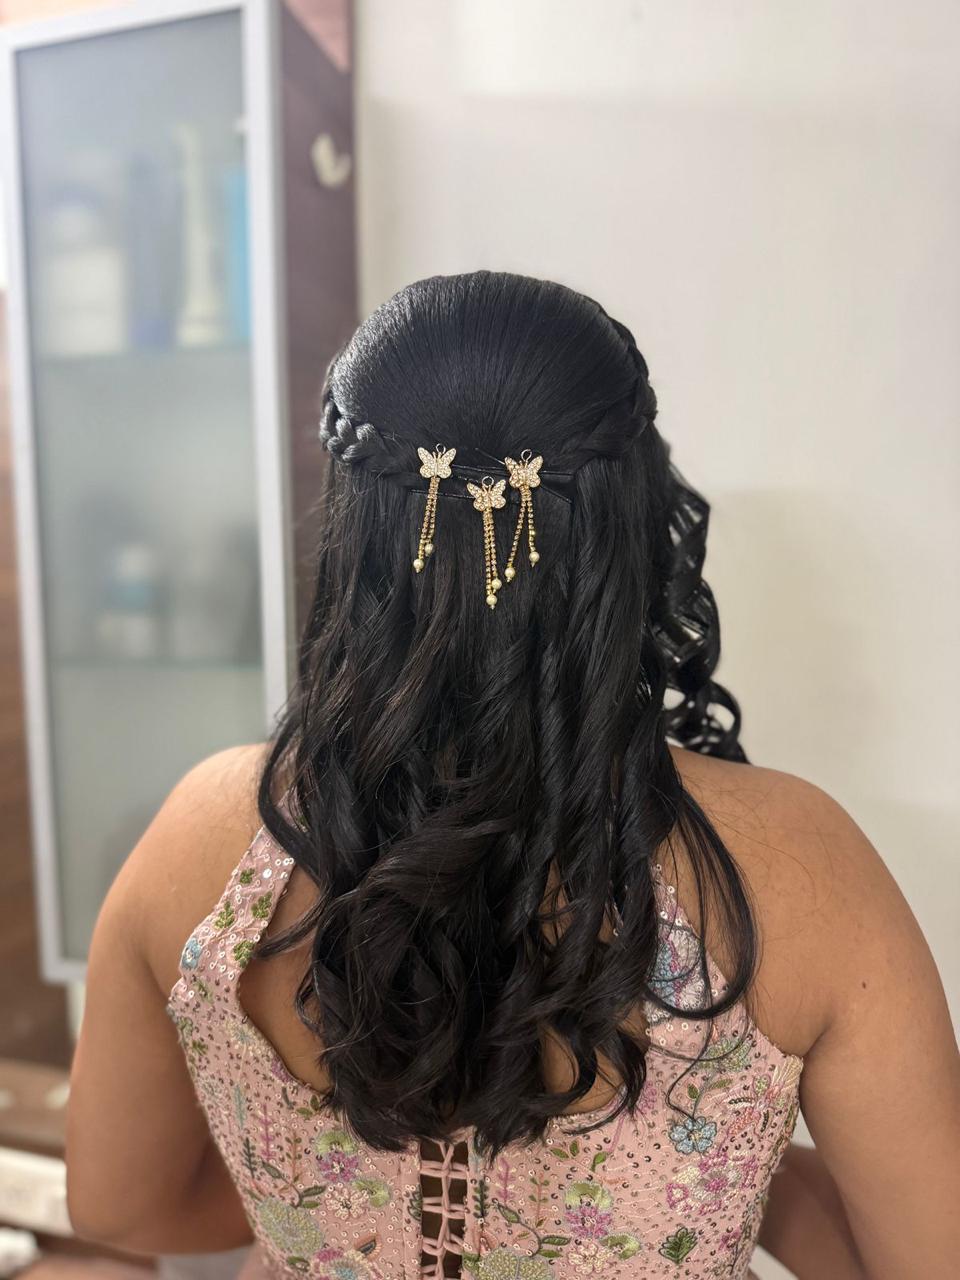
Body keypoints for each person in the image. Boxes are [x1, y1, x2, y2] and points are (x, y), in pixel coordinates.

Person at [66, 272, 959, 1279]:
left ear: (356, 527)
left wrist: (313, 1212)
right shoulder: (800, 869)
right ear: (634, 519)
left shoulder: (204, 832)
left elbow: (117, 1200)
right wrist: (748, 1187)